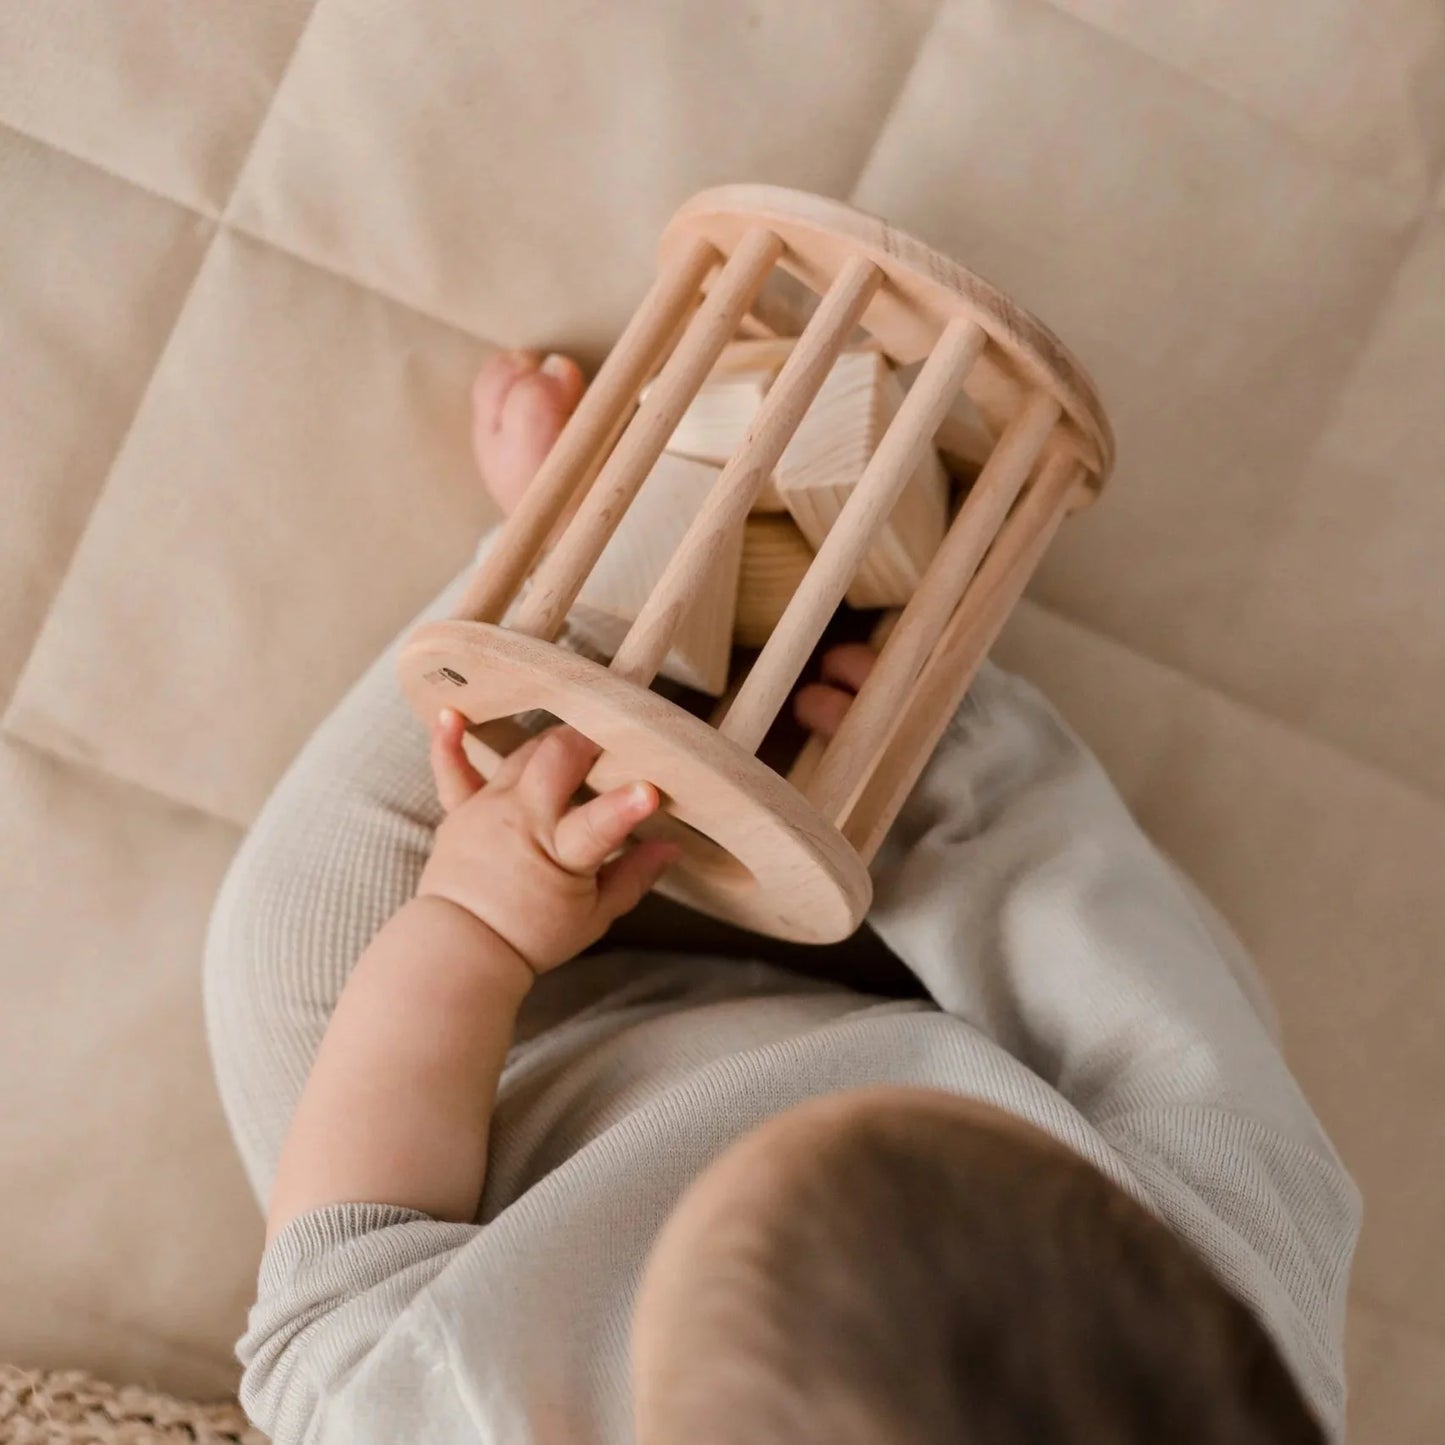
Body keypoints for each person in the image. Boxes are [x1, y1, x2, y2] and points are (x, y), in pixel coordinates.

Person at [205, 351, 1360, 1444]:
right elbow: (1142, 1027)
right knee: (1161, 997)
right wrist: (953, 764)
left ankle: (572, 577)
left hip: (499, 1142)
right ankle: (855, 706)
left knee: (283, 946)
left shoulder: (443, 1410)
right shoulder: (1243, 1285)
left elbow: (338, 1277)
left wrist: (469, 929)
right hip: (942, 1042)